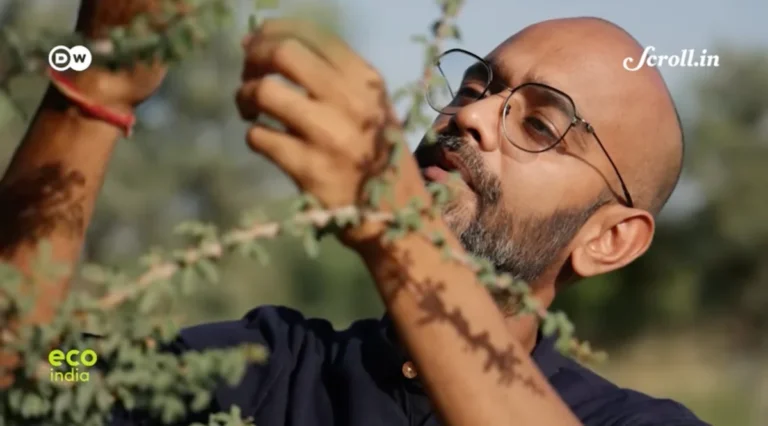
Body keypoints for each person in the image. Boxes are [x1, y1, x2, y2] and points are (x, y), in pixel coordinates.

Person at [0, 1, 709, 425]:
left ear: (610, 239)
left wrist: (398, 234)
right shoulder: (258, 371)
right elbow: (30, 371)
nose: (470, 117)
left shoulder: (634, 422)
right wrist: (92, 82)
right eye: (474, 89)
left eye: (540, 124)